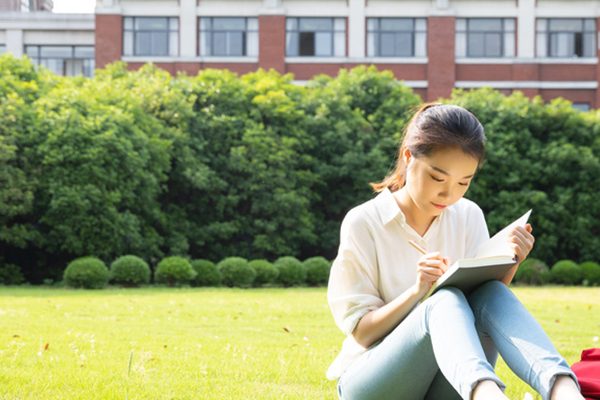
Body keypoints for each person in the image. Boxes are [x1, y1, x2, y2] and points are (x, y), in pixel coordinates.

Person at [326, 103, 584, 400]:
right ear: (408, 156)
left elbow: (484, 307)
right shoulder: (365, 222)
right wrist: (418, 292)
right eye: (438, 178)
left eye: (464, 182)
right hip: (374, 382)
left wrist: (510, 261)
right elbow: (362, 333)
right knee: (443, 300)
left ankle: (563, 390)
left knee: (492, 293)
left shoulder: (468, 215)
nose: (449, 194)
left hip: (450, 379)